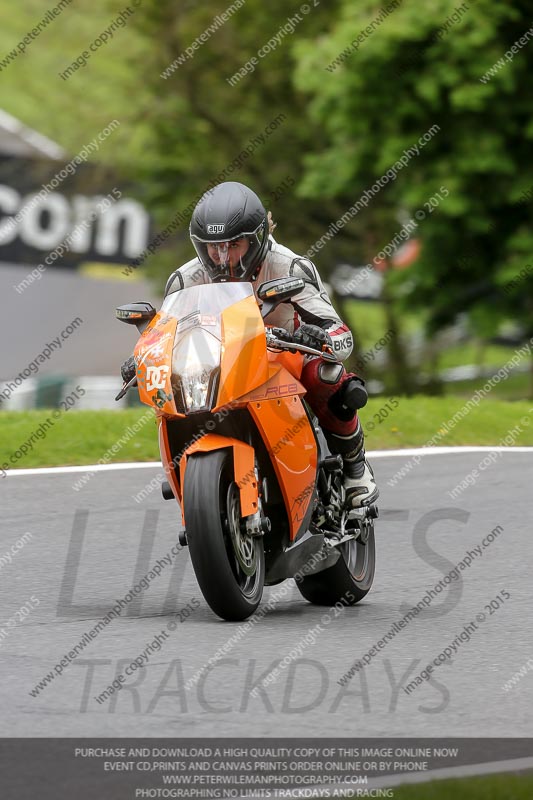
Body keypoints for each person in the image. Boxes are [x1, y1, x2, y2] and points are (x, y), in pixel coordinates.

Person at [122, 181, 379, 508]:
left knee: (326, 376)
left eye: (234, 244)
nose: (224, 256)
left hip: (284, 356)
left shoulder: (289, 266)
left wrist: (320, 337)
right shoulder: (186, 279)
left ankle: (356, 467)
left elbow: (340, 334)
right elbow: (165, 332)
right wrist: (141, 357)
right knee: (172, 394)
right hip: (220, 362)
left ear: (256, 239)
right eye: (214, 247)